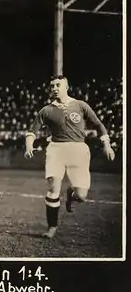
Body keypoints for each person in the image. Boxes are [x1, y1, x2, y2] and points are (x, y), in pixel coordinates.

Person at [24, 76, 115, 239]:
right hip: (56, 150)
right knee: (53, 189)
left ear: (67, 87)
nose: (54, 88)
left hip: (79, 150)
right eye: (51, 86)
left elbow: (99, 125)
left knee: (81, 196)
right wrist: (29, 145)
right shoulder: (46, 110)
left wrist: (107, 145)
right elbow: (32, 131)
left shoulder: (80, 105)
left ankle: (71, 195)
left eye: (58, 85)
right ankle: (52, 227)